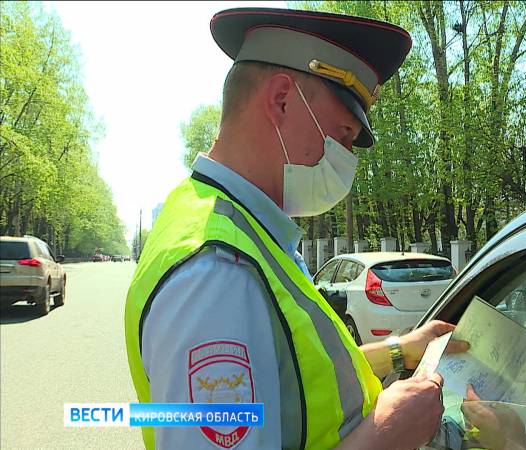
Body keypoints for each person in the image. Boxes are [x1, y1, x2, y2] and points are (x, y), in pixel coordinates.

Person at [124, 7, 468, 450]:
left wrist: (401, 350)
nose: (347, 158)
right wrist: (388, 434)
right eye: (342, 135)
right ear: (282, 100)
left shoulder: (242, 231)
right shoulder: (217, 272)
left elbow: (295, 379)